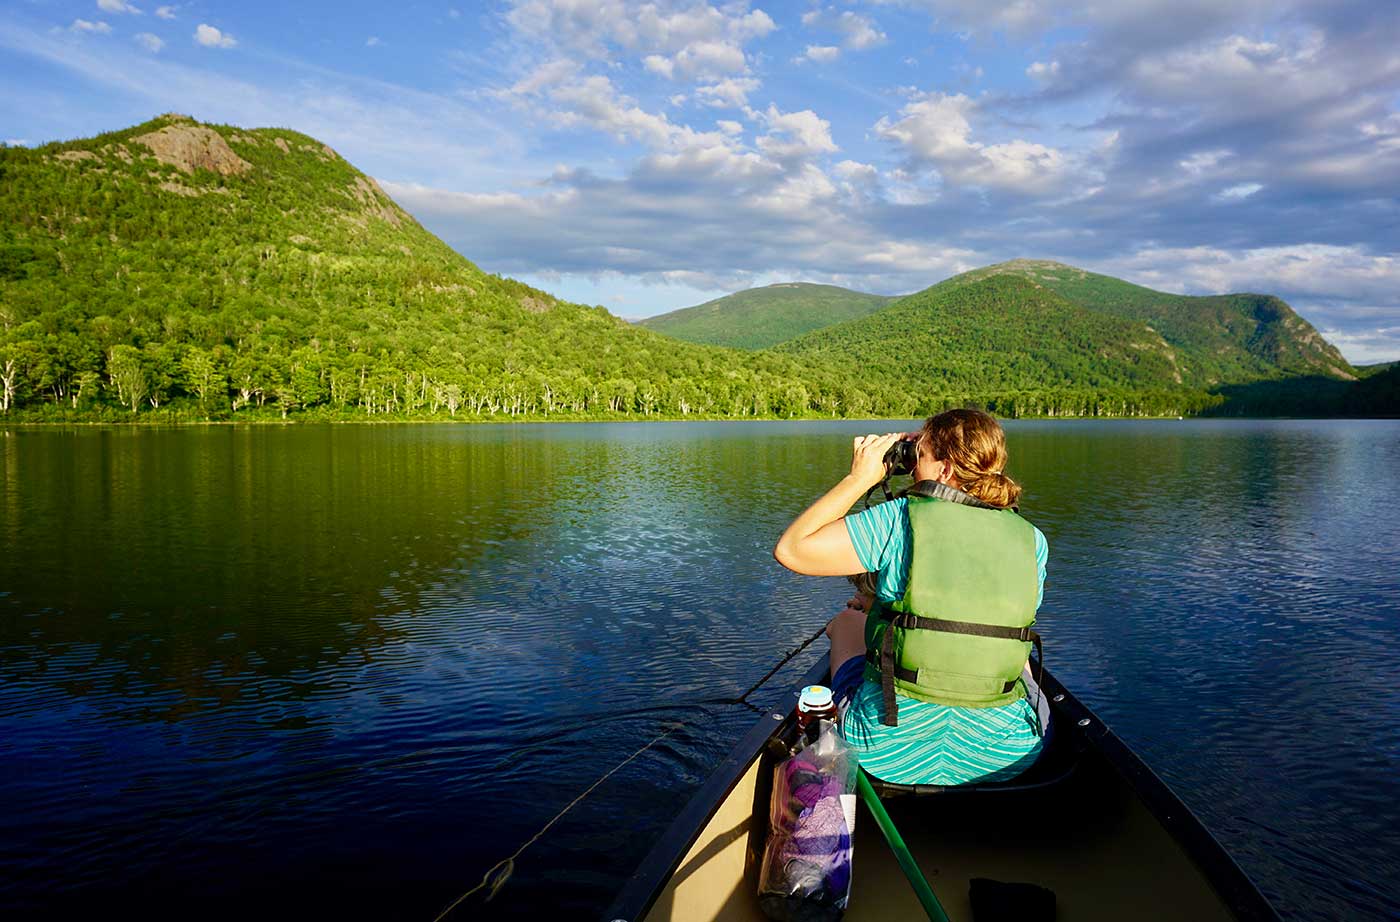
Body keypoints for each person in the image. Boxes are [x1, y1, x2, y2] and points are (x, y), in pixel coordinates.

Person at [773, 409, 1050, 786]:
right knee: (1014, 654)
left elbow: (793, 550)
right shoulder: (1031, 539)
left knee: (847, 623)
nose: (911, 466)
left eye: (918, 455)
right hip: (1008, 754)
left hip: (886, 752)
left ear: (946, 471)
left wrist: (860, 478)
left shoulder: (898, 517)